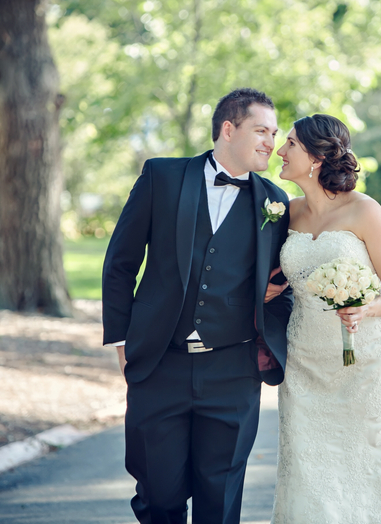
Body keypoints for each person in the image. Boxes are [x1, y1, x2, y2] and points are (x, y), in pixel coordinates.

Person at [101, 88, 294, 524]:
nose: (272, 143)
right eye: (261, 131)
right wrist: (121, 340)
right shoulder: (162, 178)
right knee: (159, 498)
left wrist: (273, 303)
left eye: (275, 133)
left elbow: (287, 285)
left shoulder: (276, 204)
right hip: (159, 364)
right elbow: (120, 263)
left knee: (220, 503)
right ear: (229, 129)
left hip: (233, 371)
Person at [271, 114, 381, 523]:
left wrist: (366, 308)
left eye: (290, 144)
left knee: (372, 467)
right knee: (308, 473)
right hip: (304, 364)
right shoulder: (288, 213)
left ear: (317, 158)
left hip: (366, 364)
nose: (280, 152)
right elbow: (281, 275)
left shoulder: (365, 211)